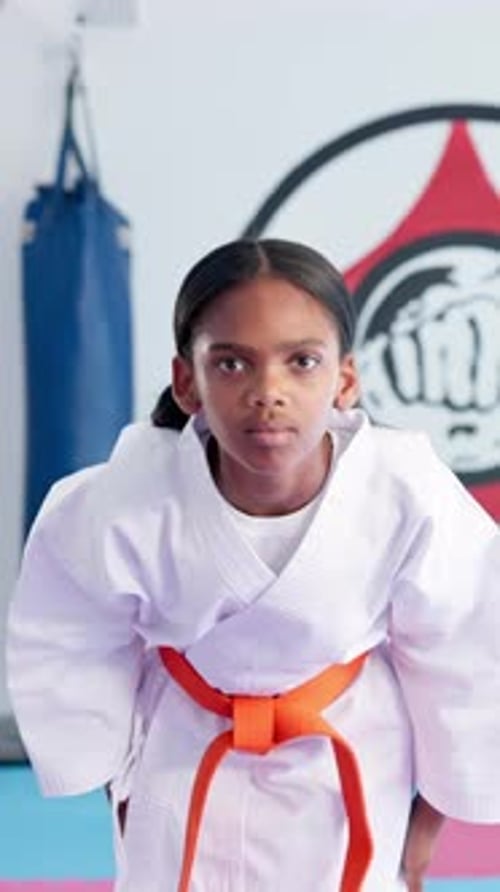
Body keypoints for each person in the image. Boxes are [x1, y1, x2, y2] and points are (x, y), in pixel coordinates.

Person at [7, 238, 500, 892]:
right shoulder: (123, 499)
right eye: (232, 364)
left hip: (347, 756)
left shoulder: (406, 491)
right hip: (183, 757)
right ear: (188, 382)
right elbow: (71, 635)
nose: (269, 393)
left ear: (344, 380)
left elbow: (466, 654)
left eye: (302, 362)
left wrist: (421, 835)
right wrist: (115, 786)